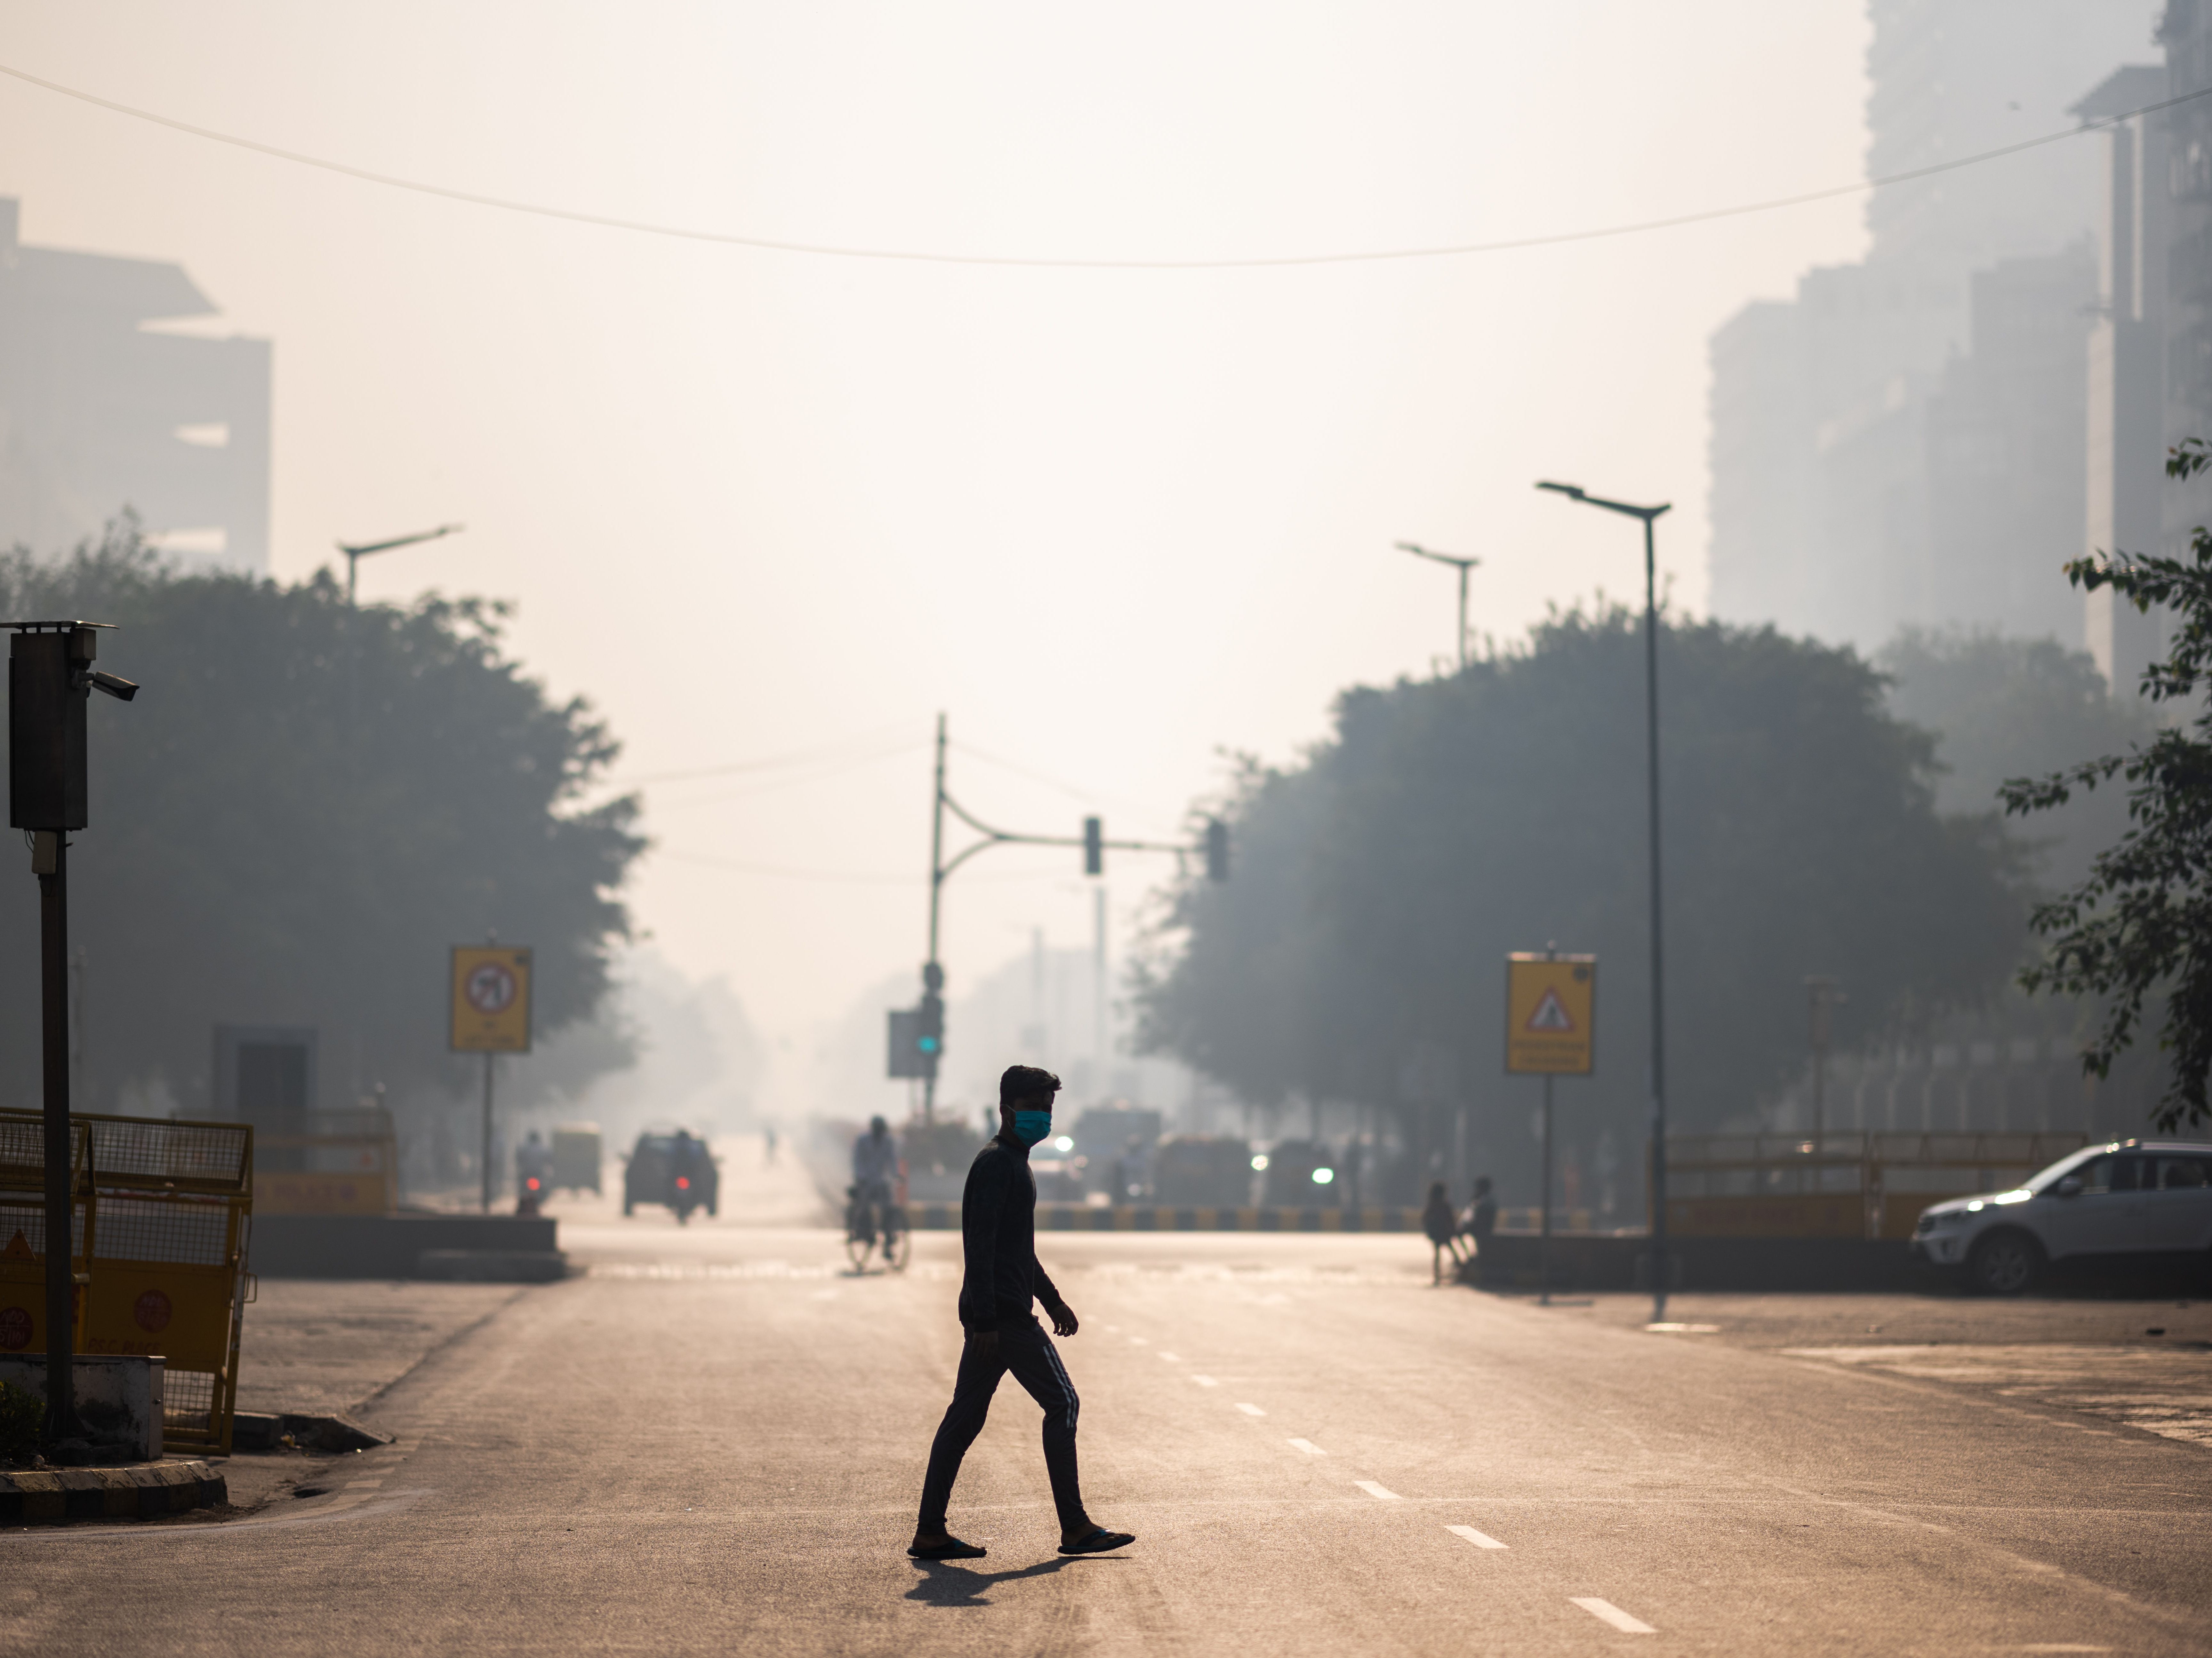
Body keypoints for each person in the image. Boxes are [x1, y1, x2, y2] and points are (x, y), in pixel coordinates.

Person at [910, 1065, 1135, 1563]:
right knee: (1064, 1404)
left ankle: (930, 1531)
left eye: (1048, 1108)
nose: (1042, 1116)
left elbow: (1017, 1250)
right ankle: (1075, 1526)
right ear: (1007, 1110)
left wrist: (1052, 1298)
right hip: (1005, 1319)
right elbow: (982, 1245)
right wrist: (988, 1321)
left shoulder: (1013, 1163)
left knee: (963, 1420)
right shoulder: (997, 1165)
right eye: (1034, 1107)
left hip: (999, 1315)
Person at [852, 1116, 900, 1241]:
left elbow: (893, 1160)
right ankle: (861, 1231)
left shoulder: (888, 1142)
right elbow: (858, 1160)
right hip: (866, 1180)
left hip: (881, 1180)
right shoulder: (863, 1141)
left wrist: (896, 1175)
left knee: (889, 1207)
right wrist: (861, 1177)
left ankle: (889, 1235)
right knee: (863, 1206)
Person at [1462, 1176, 1498, 1284]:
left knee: (1481, 1249)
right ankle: (1472, 1260)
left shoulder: (1485, 1201)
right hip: (1481, 1229)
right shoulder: (1485, 1199)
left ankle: (1474, 1263)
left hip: (1483, 1230)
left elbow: (1476, 1216)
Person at [1421, 1181, 1458, 1284]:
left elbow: (1425, 1219)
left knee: (1437, 1255)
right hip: (1444, 1233)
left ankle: (1437, 1275)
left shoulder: (1432, 1205)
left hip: (1436, 1233)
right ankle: (1459, 1268)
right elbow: (1451, 1219)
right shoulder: (1445, 1205)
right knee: (1452, 1251)